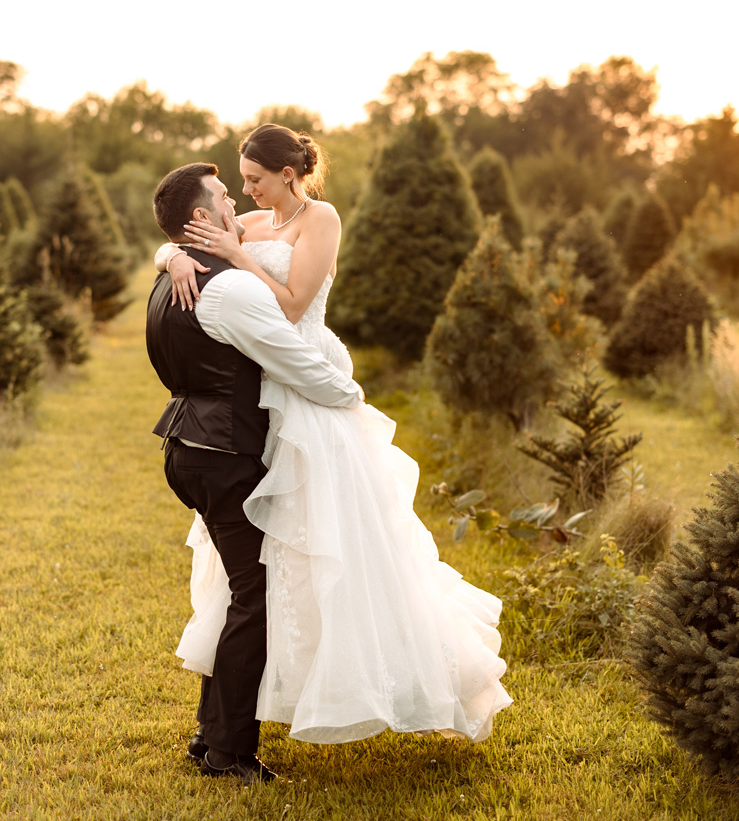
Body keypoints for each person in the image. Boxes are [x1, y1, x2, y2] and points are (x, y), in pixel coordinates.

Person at [155, 124, 512, 751]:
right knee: (270, 562)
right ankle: (241, 715)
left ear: (287, 174)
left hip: (304, 375)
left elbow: (293, 307)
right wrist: (175, 257)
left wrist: (238, 256)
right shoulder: (251, 226)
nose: (245, 191)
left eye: (254, 179)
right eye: (238, 183)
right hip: (264, 391)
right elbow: (181, 239)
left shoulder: (320, 219)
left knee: (333, 540)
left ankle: (354, 679)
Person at [145, 161, 365, 786]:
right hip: (223, 454)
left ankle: (210, 737)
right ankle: (228, 753)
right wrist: (351, 395)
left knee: (242, 591)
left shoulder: (171, 278)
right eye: (223, 195)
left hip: (191, 444)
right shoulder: (231, 291)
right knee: (257, 596)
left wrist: (171, 253)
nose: (235, 203)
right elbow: (295, 362)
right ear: (201, 217)